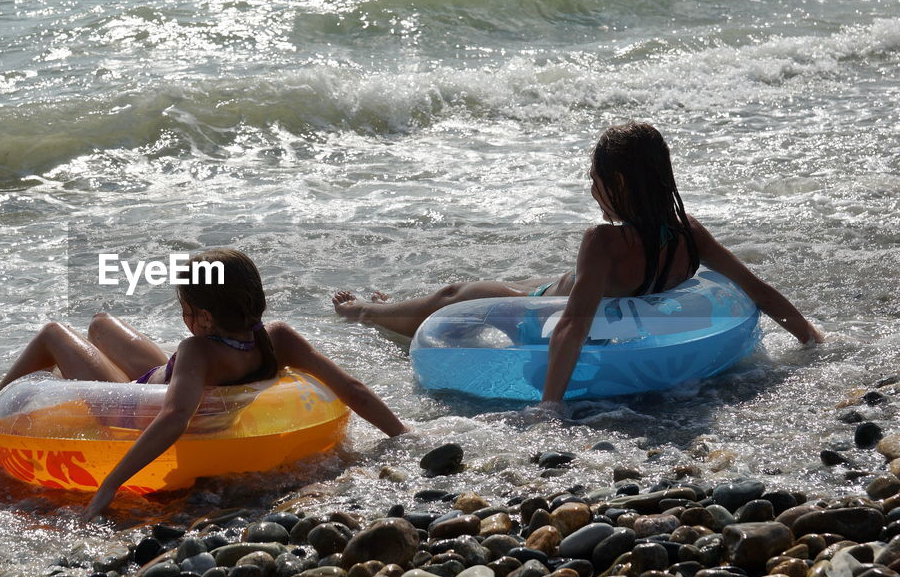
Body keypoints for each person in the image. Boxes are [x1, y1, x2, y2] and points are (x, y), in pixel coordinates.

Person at [332, 121, 824, 409]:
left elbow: (571, 322)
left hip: (550, 299)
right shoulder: (688, 232)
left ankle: (363, 311)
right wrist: (810, 339)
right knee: (482, 289)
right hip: (562, 287)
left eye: (595, 180)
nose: (591, 191)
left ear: (620, 186)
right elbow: (758, 290)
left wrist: (551, 406)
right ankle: (382, 309)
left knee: (456, 297)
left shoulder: (604, 241)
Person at [0, 248, 408, 518]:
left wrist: (111, 484)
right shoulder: (276, 337)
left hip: (136, 405)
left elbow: (173, 417)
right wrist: (403, 437)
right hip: (174, 379)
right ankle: (102, 334)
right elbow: (355, 390)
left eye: (186, 310)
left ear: (198, 316)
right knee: (102, 324)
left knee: (53, 335)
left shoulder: (196, 349)